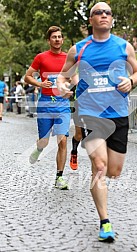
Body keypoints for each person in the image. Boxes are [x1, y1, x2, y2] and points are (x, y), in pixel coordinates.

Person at [57, 2, 137, 242]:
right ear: (91, 20)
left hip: (117, 114)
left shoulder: (124, 47)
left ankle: (102, 189)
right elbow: (63, 76)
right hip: (90, 113)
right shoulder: (79, 49)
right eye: (98, 12)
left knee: (113, 171)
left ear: (111, 19)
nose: (103, 15)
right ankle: (105, 221)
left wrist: (131, 81)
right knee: (100, 166)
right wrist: (63, 86)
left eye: (107, 13)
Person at [24, 26, 77, 190]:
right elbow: (27, 76)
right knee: (44, 141)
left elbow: (75, 76)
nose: (57, 39)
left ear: (62, 39)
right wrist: (39, 83)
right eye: (54, 37)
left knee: (62, 140)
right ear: (49, 40)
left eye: (60, 37)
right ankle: (39, 148)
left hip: (62, 104)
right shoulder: (41, 57)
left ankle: (59, 177)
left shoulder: (68, 58)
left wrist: (70, 88)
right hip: (45, 103)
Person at [70, 86, 83, 170]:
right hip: (79, 104)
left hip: (95, 104)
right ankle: (74, 152)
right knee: (79, 135)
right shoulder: (78, 74)